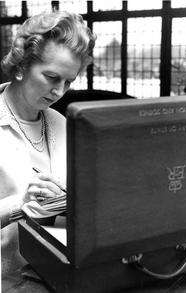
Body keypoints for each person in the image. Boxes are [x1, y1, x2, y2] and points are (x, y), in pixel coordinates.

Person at [0, 11, 96, 277]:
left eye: (69, 82)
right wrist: (22, 203)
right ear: (21, 65)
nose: (59, 91)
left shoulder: (61, 123)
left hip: (54, 269)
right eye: (52, 77)